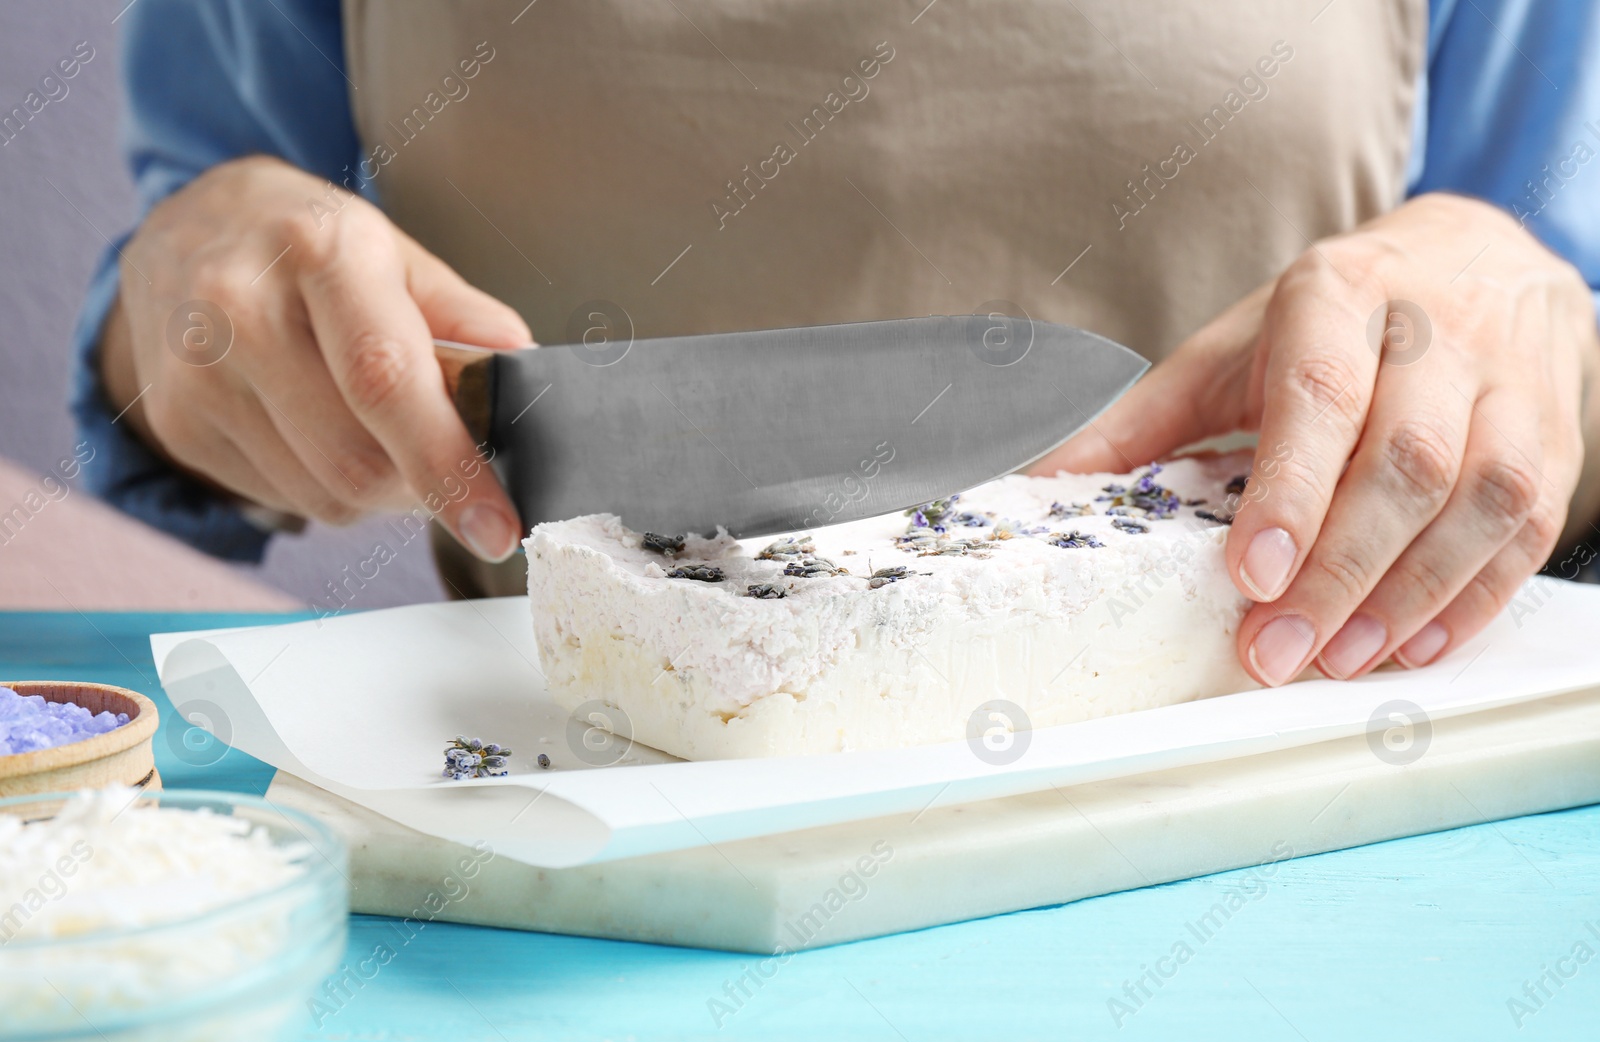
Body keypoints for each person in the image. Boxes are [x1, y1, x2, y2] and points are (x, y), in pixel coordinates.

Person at [78, 0, 1600, 688]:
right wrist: (186, 317)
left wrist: (1537, 321)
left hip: (1277, 802)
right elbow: (194, 350)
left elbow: (1555, 350)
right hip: (576, 838)